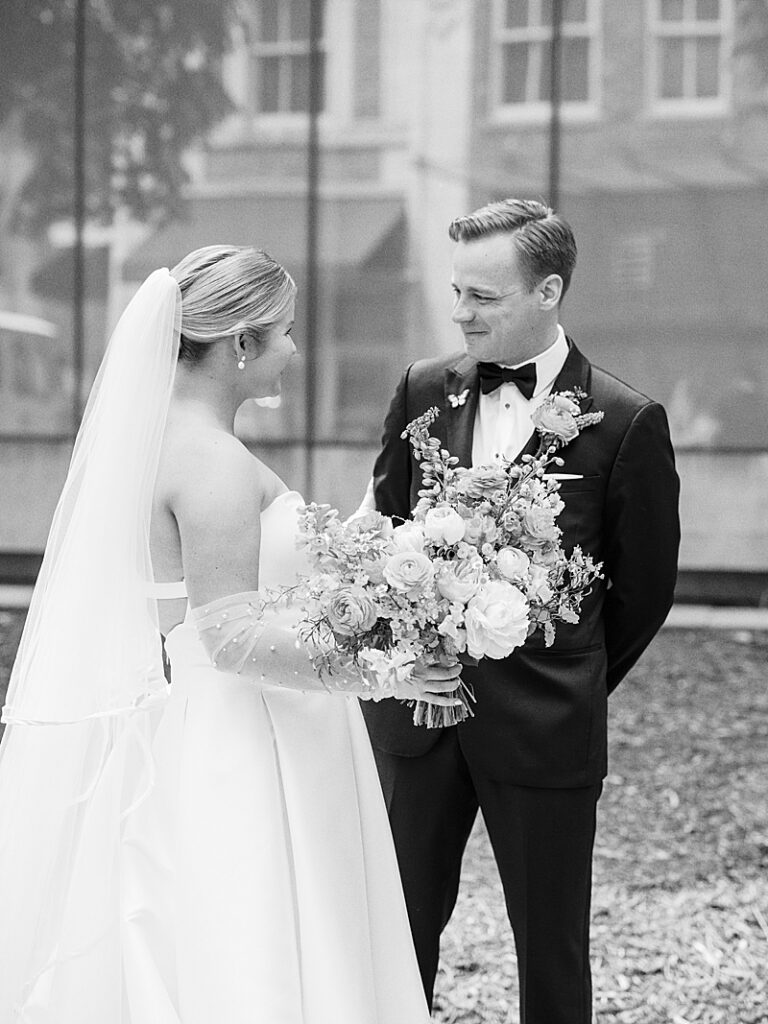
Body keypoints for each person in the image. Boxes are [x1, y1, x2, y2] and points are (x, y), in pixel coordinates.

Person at [0, 245, 462, 1023]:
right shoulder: (210, 461)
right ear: (240, 345)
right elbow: (230, 637)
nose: (293, 350)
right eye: (282, 332)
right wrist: (387, 670)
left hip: (203, 719)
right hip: (245, 737)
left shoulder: (159, 440)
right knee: (254, 943)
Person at [362, 199, 681, 1024]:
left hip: (546, 725)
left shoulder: (627, 420)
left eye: (483, 298)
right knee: (392, 937)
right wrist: (406, 660)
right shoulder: (422, 390)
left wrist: (566, 676)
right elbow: (386, 535)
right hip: (415, 719)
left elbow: (643, 590)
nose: (460, 313)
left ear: (547, 291)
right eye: (456, 291)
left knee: (551, 946)